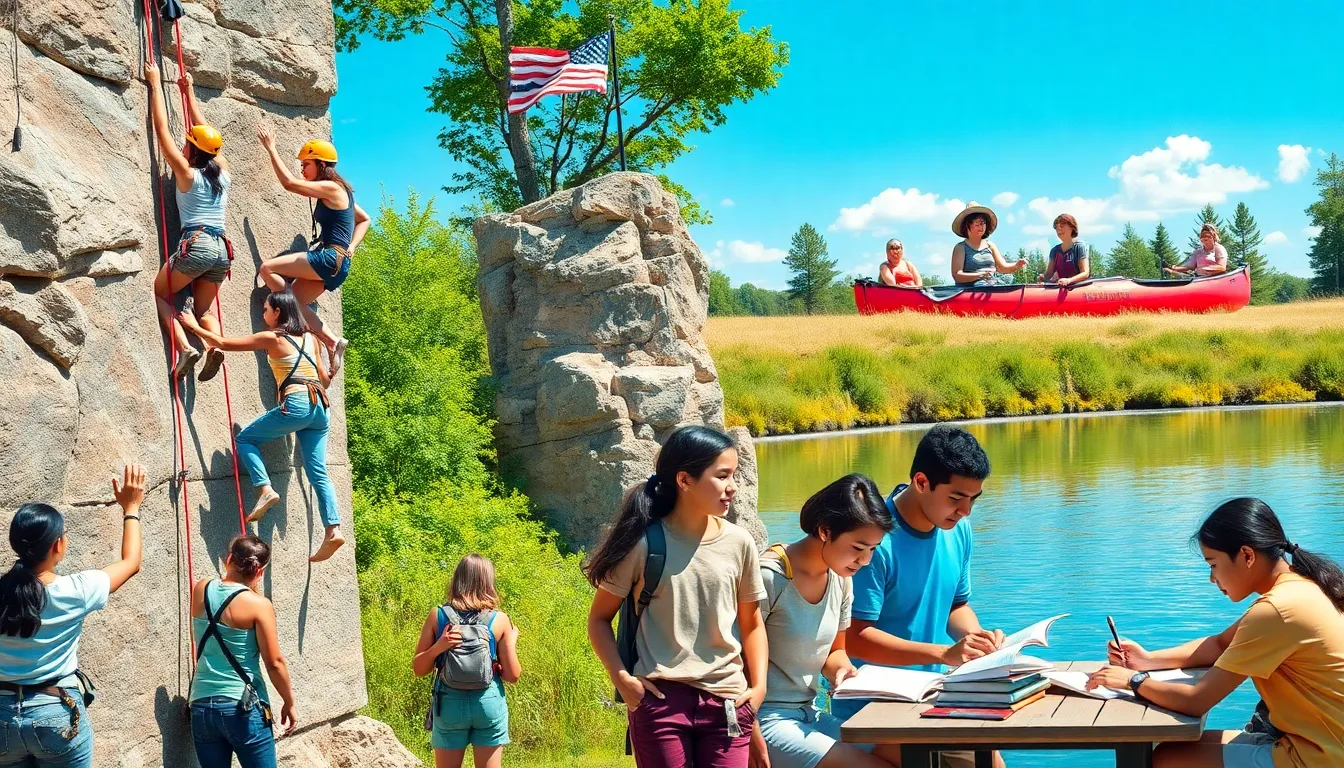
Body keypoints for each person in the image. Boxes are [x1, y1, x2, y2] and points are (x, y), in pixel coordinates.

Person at [1087, 498, 1344, 768]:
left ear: (1247, 555)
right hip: (1321, 743)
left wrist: (1134, 680)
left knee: (1168, 760)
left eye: (1213, 564)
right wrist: (1149, 660)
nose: (1212, 578)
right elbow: (1221, 644)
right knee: (1177, 748)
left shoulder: (1277, 610)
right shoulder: (1301, 588)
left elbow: (1196, 701)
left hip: (1322, 757)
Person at [584, 425, 767, 768]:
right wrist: (623, 680)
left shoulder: (740, 543)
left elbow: (752, 622)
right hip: (660, 704)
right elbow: (598, 620)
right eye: (723, 476)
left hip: (728, 702)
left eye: (735, 475)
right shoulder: (644, 545)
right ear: (684, 480)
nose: (733, 487)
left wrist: (758, 691)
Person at [838, 425, 1007, 768]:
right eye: (956, 498)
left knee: (992, 761)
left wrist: (975, 640)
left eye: (974, 499)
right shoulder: (873, 542)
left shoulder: (958, 530)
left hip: (934, 698)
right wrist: (946, 653)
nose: (966, 511)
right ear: (920, 482)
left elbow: (955, 606)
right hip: (873, 712)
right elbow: (853, 639)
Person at [178, 290, 344, 563]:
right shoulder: (312, 340)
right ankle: (333, 529)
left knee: (245, 439)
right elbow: (325, 380)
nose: (264, 314)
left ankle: (265, 488)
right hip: (320, 409)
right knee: (318, 472)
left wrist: (191, 325)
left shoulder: (273, 338)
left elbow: (222, 342)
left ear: (278, 312)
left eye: (266, 309)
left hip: (299, 403)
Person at [752, 474, 902, 768]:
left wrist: (842, 672)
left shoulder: (842, 580)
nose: (866, 561)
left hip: (809, 712)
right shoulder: (769, 578)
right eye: (858, 548)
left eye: (873, 549)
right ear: (825, 531)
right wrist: (746, 729)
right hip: (764, 719)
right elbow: (732, 663)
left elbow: (835, 652)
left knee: (901, 750)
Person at [0, 464, 145, 768]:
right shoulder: (76, 591)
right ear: (58, 545)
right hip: (55, 712)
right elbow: (131, 562)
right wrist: (131, 507)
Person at [255, 127, 369, 379]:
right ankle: (331, 341)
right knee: (294, 302)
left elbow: (289, 184)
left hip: (328, 258)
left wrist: (271, 148)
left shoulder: (332, 188)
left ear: (321, 164)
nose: (302, 169)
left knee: (267, 269)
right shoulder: (343, 192)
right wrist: (351, 247)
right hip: (338, 265)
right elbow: (365, 219)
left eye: (306, 164)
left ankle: (326, 338)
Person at [144, 61, 232, 381]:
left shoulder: (186, 173)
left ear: (191, 150)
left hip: (197, 245)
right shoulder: (223, 172)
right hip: (222, 250)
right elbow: (209, 134)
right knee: (204, 310)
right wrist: (189, 92)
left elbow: (162, 132)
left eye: (188, 144)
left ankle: (184, 348)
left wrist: (155, 85)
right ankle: (211, 347)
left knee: (160, 293)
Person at [189, 535, 297, 768]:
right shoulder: (259, 605)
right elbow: (274, 663)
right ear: (259, 572)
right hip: (242, 707)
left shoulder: (201, 588)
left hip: (201, 705)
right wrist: (288, 702)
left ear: (228, 559)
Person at [412, 554, 522, 768]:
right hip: (487, 703)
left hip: (449, 703)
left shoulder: (438, 615)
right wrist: (510, 642)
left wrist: (440, 646)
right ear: (488, 582)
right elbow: (513, 676)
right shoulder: (499, 619)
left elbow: (419, 669)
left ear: (457, 579)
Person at [950, 206, 1024, 286]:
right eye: (977, 224)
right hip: (970, 290)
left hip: (991, 287)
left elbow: (1003, 267)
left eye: (983, 223)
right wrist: (980, 275)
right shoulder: (960, 248)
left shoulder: (991, 246)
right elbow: (957, 275)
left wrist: (1017, 265)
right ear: (967, 225)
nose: (981, 227)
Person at [1040, 214, 1092, 286]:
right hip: (1062, 289)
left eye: (1062, 226)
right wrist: (1043, 278)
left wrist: (1069, 280)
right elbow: (1048, 275)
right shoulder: (1054, 251)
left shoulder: (1079, 247)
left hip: (1079, 289)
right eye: (1056, 228)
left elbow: (1085, 273)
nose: (1059, 230)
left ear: (1071, 227)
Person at [1165, 224, 1229, 278]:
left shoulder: (1219, 248)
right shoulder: (1198, 252)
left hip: (1216, 279)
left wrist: (1206, 269)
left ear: (1213, 237)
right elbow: (1189, 266)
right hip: (1200, 279)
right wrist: (1172, 268)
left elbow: (1222, 268)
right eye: (1202, 236)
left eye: (1208, 236)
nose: (1205, 238)